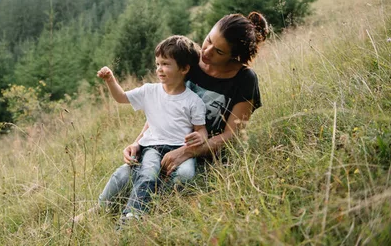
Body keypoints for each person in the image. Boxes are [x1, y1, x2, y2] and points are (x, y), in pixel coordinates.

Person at [97, 12, 269, 217]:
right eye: (208, 40)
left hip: (206, 156)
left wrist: (187, 152)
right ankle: (99, 210)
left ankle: (151, 212)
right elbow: (165, 107)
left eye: (219, 51)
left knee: (182, 178)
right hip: (165, 142)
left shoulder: (245, 80)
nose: (207, 51)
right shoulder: (191, 61)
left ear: (233, 56)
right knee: (124, 174)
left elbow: (231, 135)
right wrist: (138, 142)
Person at [97, 35, 209, 223]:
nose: (159, 69)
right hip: (153, 148)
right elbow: (121, 97)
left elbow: (202, 130)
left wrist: (200, 137)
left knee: (186, 175)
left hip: (180, 150)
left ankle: (158, 204)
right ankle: (131, 215)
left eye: (165, 64)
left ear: (184, 69)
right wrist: (110, 80)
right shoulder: (150, 91)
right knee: (148, 174)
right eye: (157, 64)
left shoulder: (193, 101)